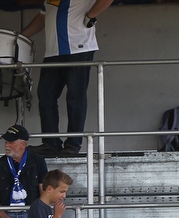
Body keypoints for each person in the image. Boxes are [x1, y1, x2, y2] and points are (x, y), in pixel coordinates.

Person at [21, 0, 112, 157]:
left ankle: (73, 144)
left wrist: (90, 15)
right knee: (45, 95)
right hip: (53, 53)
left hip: (79, 49)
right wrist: (19, 37)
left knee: (75, 97)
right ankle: (51, 143)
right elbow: (42, 17)